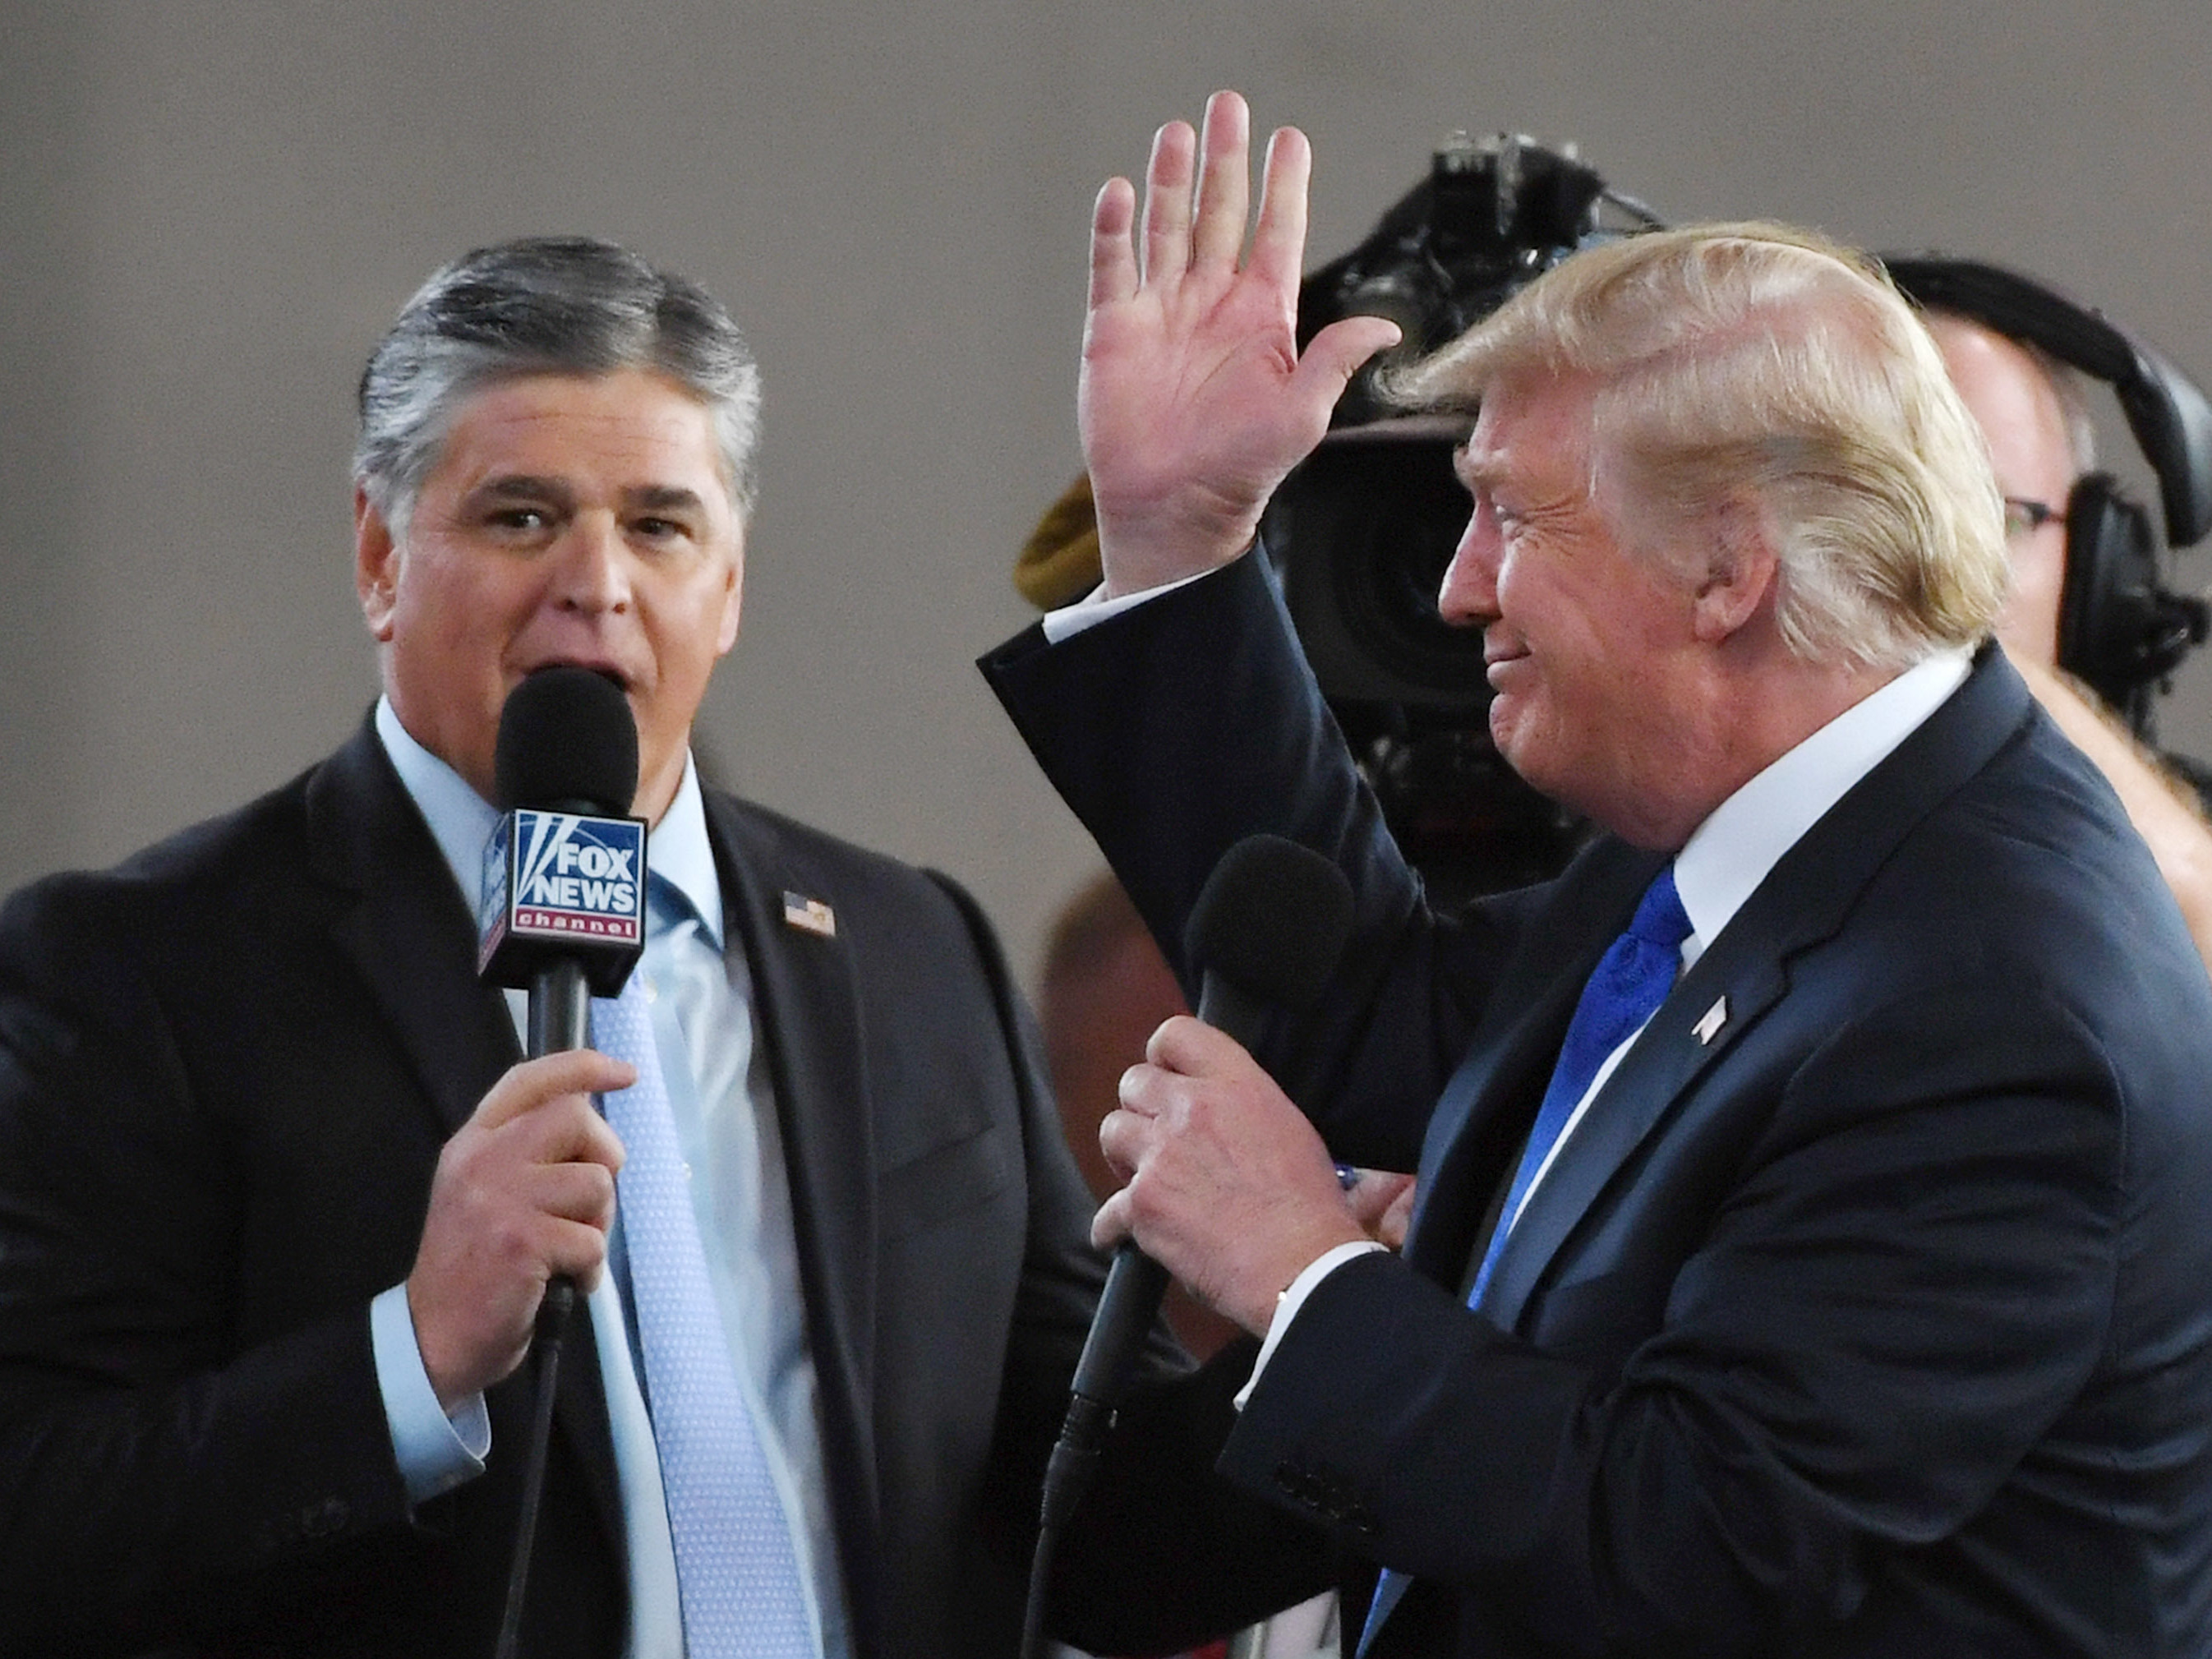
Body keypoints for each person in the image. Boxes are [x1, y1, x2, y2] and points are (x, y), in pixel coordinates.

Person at [982, 93, 2212, 1655]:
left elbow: (1685, 1551)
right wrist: (1178, 535)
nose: (1454, 586)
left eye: (1510, 513)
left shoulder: (1993, 1001)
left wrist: (1303, 1273)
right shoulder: (1777, 831)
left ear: (1726, 568)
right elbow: (1382, 1016)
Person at [0, 237, 1280, 1659]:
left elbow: (1095, 1534)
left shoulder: (912, 948)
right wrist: (410, 1357)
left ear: (728, 583)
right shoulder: (132, 968)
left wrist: (1357, 1330)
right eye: (521, 515)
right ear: (379, 553)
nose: (595, 582)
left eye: (661, 524)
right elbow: (40, 1522)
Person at [1922, 304, 2212, 968]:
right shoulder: (1658, 832)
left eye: (1986, 519)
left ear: (2098, 565)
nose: (1915, 570)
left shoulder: (2185, 836)